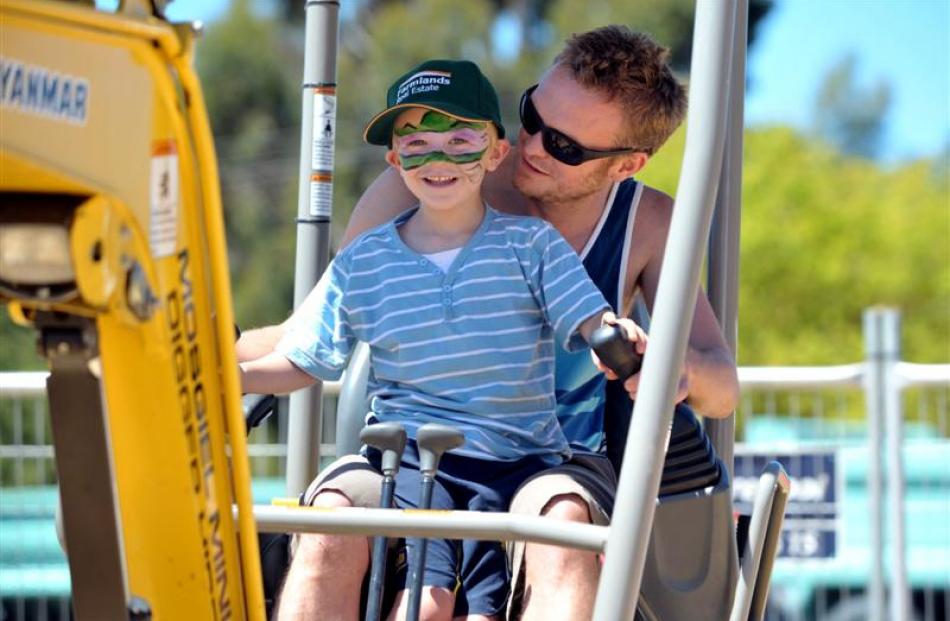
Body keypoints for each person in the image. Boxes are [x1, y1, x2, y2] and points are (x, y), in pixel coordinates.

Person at [238, 26, 740, 621]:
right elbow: (310, 331)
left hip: (549, 459)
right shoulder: (426, 186)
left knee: (563, 538)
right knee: (328, 532)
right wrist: (214, 354)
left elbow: (721, 385)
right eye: (531, 117)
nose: (533, 146)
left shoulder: (646, 224)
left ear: (626, 164)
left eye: (564, 147)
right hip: (414, 445)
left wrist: (673, 369)